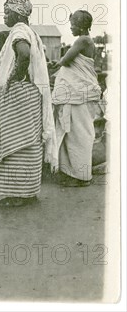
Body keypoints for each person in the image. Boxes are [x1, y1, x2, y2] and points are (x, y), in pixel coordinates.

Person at [0, 0, 58, 207]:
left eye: (7, 11)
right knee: (29, 142)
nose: (4, 15)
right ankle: (27, 192)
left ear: (18, 13)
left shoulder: (19, 31)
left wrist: (12, 78)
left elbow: (24, 54)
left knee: (13, 142)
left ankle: (17, 195)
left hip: (19, 93)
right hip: (30, 93)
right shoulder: (31, 32)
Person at [51, 10, 101, 187]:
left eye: (72, 24)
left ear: (80, 25)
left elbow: (66, 60)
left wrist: (54, 64)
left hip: (79, 94)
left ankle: (81, 176)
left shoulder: (82, 40)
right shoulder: (87, 41)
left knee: (78, 134)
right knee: (74, 133)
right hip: (79, 94)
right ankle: (74, 173)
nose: (70, 28)